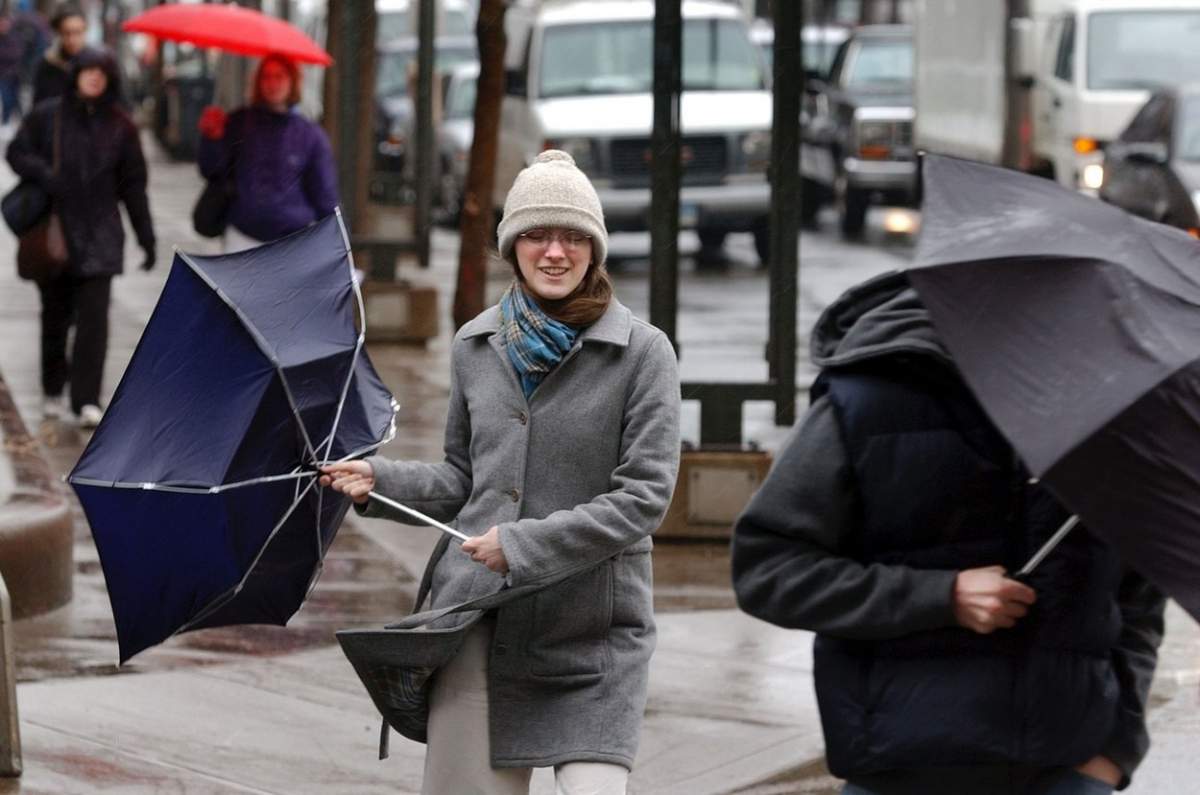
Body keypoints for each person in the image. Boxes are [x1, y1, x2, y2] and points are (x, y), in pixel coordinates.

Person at [320, 150, 681, 795]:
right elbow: (464, 479)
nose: (554, 252)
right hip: (480, 621)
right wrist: (382, 479)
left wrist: (520, 545)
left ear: (594, 249)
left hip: (590, 630)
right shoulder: (475, 345)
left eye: (572, 236)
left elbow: (644, 499)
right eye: (537, 234)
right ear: (511, 246)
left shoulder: (644, 353)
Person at [730, 271, 1166, 795]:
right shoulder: (871, 400)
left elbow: (1139, 599)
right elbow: (768, 570)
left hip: (1067, 770)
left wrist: (1116, 749)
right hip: (903, 768)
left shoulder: (1110, 418)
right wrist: (941, 596)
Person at [7, 47, 155, 428]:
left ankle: (86, 399)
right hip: (57, 234)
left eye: (101, 73)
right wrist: (46, 173)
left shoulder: (121, 125)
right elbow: (16, 152)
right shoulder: (49, 115)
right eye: (87, 71)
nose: (93, 78)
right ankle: (53, 386)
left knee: (94, 322)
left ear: (110, 79)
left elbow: (133, 185)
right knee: (55, 317)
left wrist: (146, 236)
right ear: (75, 75)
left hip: (101, 235)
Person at [196, 53, 337, 253]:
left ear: (292, 81)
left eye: (280, 76)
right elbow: (211, 169)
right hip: (242, 238)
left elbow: (324, 194)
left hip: (292, 243)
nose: (272, 83)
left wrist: (338, 244)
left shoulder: (310, 135)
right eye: (266, 77)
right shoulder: (239, 123)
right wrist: (211, 138)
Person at [32, 3, 83, 105]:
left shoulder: (96, 63)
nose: (72, 40)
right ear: (59, 33)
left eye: (78, 32)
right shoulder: (48, 64)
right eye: (67, 33)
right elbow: (39, 106)